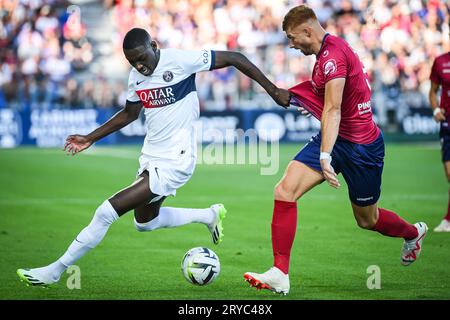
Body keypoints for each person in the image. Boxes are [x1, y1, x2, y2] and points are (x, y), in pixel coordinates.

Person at [17, 27, 290, 287]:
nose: (139, 66)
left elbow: (235, 58)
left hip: (176, 159)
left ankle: (54, 272)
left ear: (154, 46)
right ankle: (209, 215)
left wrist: (272, 89)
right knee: (145, 223)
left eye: (141, 58)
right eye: (132, 62)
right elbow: (129, 114)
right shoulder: (136, 77)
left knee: (105, 213)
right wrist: (90, 137)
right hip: (151, 157)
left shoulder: (181, 61)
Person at [243, 5, 428, 295]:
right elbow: (325, 98)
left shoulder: (332, 56)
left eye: (293, 38)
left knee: (368, 220)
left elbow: (333, 108)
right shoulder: (325, 55)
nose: (291, 45)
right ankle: (280, 272)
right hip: (337, 139)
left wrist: (325, 155)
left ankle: (413, 233)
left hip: (361, 148)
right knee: (284, 191)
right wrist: (308, 104)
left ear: (308, 30)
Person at [429, 51, 450, 232]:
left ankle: (448, 219)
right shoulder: (440, 61)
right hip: (447, 124)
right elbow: (433, 91)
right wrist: (436, 110)